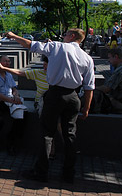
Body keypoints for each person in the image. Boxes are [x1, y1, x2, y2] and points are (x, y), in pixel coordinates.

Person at [6, 29, 94, 183]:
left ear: (72, 36)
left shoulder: (58, 47)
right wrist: (86, 108)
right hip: (73, 97)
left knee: (47, 133)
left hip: (55, 95)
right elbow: (89, 87)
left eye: (66, 34)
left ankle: (41, 172)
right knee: (70, 135)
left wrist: (13, 36)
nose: (63, 36)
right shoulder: (87, 58)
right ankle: (68, 174)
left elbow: (30, 44)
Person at [0, 55, 26, 155]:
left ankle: (11, 141)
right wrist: (11, 101)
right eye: (5, 61)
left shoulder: (8, 75)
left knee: (21, 117)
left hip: (8, 101)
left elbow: (14, 88)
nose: (8, 63)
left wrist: (16, 95)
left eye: (9, 61)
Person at [95, 48, 122, 113]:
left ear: (116, 56)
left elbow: (107, 88)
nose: (108, 60)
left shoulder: (119, 71)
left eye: (109, 58)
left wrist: (91, 88)